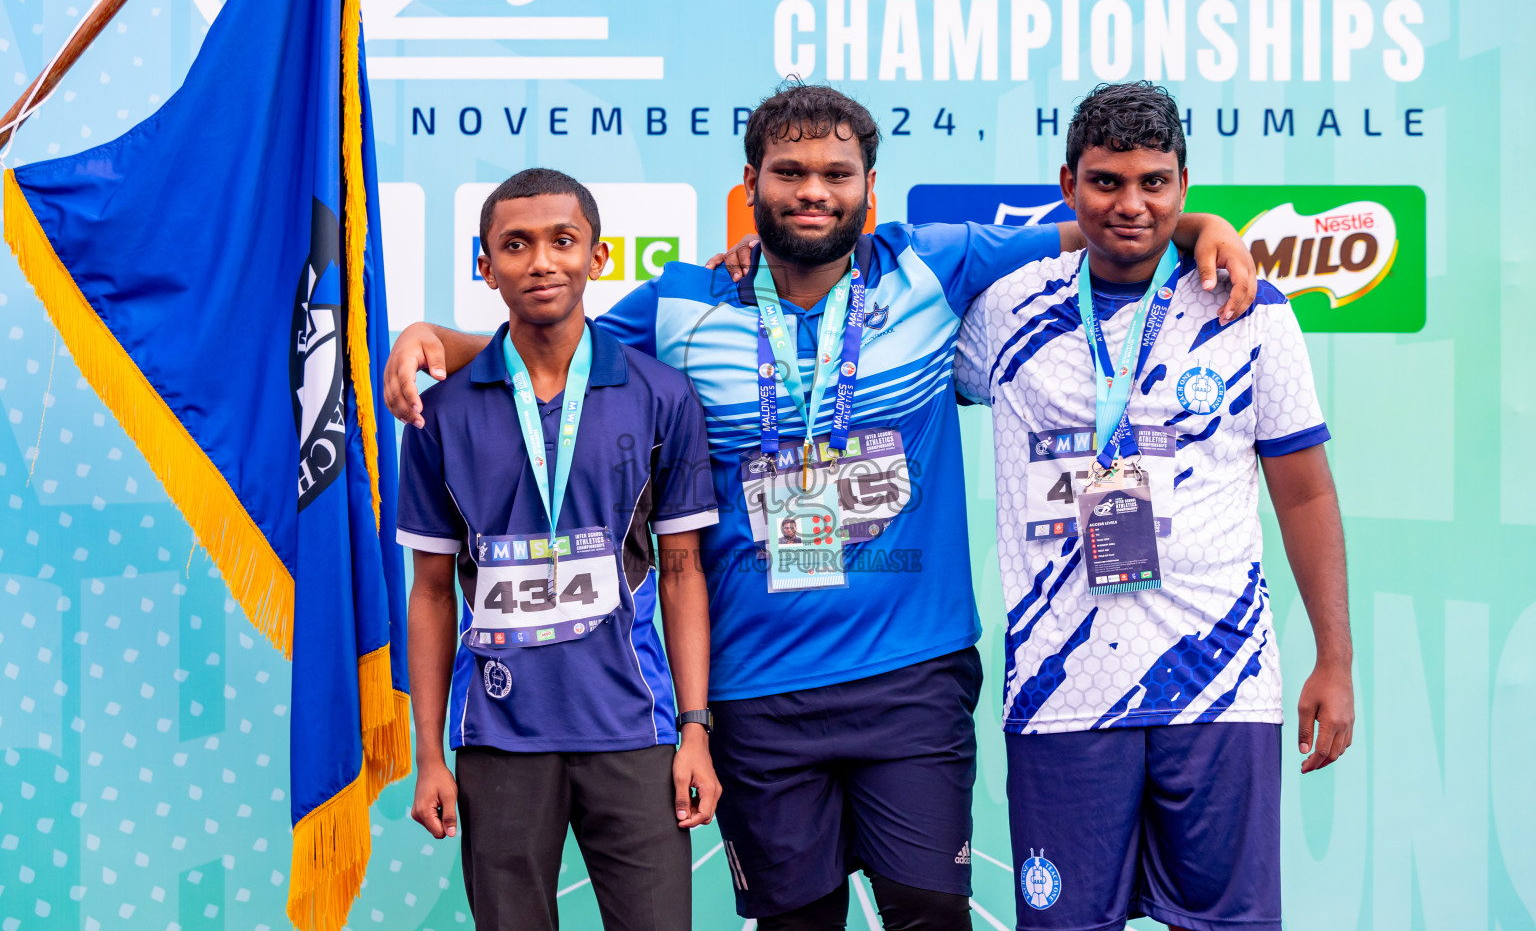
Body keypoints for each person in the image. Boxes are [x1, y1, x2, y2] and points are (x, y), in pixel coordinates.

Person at [384, 82, 1258, 931]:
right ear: (751, 188)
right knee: (797, 921)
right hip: (755, 686)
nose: (813, 191)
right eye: (789, 172)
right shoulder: (686, 301)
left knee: (927, 911)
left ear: (869, 190)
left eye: (837, 174)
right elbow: (560, 344)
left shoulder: (932, 264)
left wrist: (1204, 226)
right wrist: (444, 342)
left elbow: (1110, 224)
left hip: (911, 673)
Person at [954, 82, 1354, 931]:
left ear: (1183, 184)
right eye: (1105, 182)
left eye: (1154, 183)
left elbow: (1307, 493)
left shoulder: (1250, 312)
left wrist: (1336, 660)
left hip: (1222, 685)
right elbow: (871, 298)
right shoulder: (1006, 312)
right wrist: (755, 267)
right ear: (1068, 185)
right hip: (1063, 693)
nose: (1130, 205)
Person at [399, 168, 722, 931]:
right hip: (499, 740)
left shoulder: (660, 395)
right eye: (515, 245)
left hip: (637, 735)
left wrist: (695, 731)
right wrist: (431, 754)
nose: (540, 261)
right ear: (485, 266)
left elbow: (680, 572)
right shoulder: (439, 415)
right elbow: (432, 592)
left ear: (599, 257)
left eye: (561, 241)